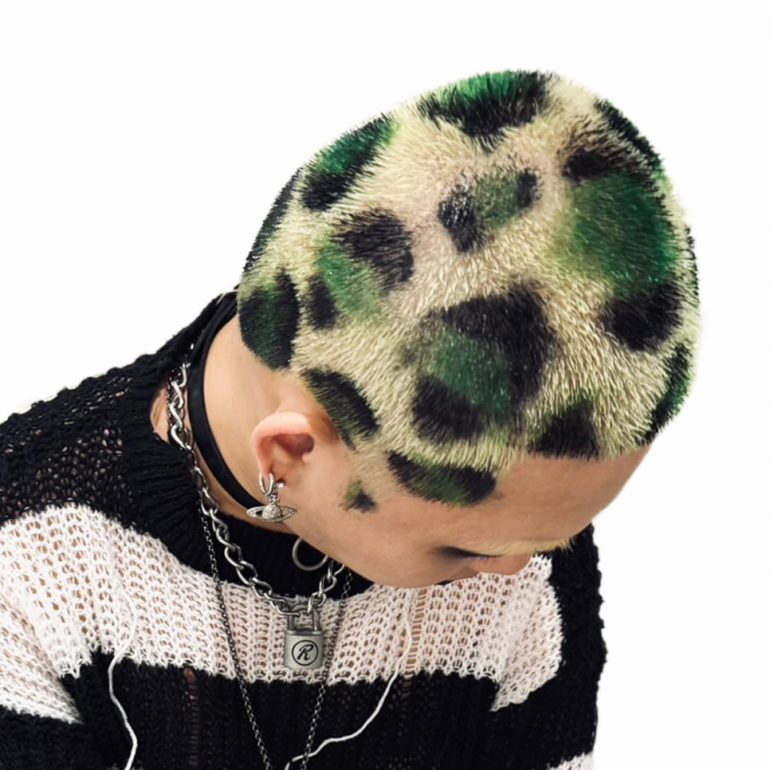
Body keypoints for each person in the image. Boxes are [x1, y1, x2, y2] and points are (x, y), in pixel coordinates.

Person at [0, 68, 700, 770]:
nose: (519, 568)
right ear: (287, 454)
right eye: (463, 548)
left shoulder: (515, 513)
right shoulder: (27, 556)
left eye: (559, 534)